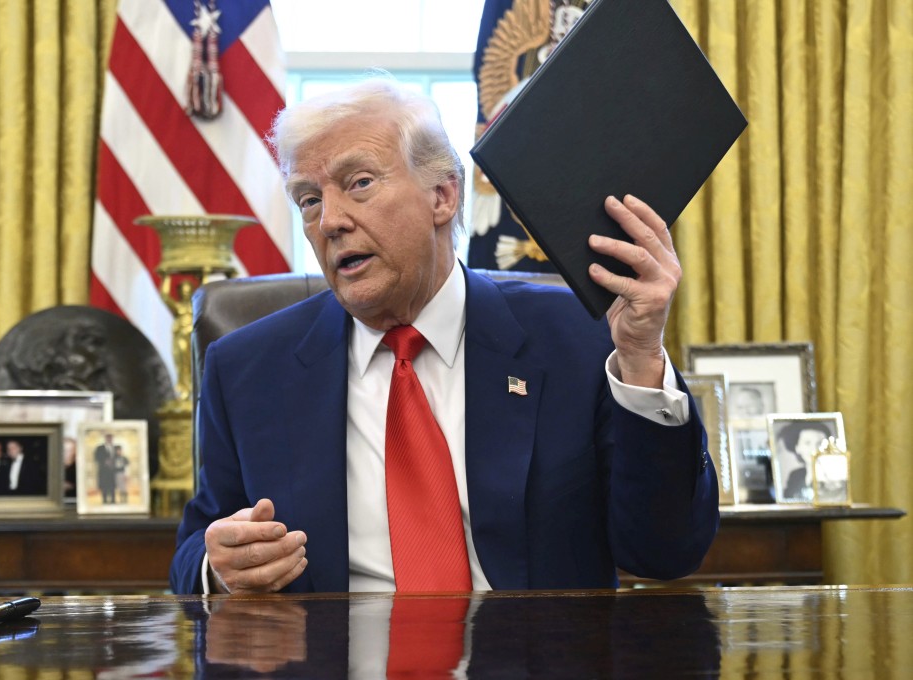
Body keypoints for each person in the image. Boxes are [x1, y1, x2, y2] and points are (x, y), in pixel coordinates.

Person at [170, 78, 718, 595]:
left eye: (359, 183)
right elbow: (195, 550)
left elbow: (665, 553)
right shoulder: (246, 368)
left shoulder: (578, 338)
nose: (330, 220)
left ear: (443, 195)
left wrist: (643, 358)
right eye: (309, 199)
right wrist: (217, 568)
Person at [777, 421, 833, 501]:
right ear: (797, 448)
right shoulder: (795, 476)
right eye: (807, 443)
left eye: (820, 443)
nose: (814, 449)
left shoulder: (835, 477)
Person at [94, 433, 118, 504]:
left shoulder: (115, 448)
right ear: (105, 439)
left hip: (113, 471)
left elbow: (119, 458)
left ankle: (113, 500)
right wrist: (105, 461)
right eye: (108, 438)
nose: (109, 439)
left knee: (112, 486)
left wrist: (113, 463)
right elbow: (96, 457)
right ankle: (104, 500)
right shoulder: (100, 448)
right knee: (104, 485)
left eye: (110, 438)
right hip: (103, 470)